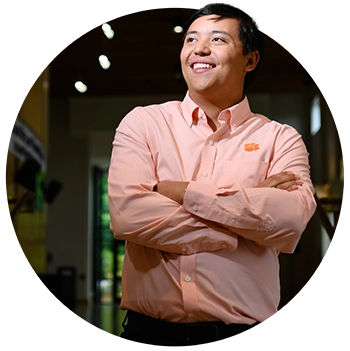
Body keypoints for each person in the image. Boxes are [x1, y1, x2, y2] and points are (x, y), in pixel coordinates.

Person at [108, 3, 317, 349]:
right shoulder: (143, 124)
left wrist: (182, 191)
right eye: (190, 39)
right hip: (148, 336)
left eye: (217, 39)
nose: (198, 49)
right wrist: (245, 210)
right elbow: (127, 216)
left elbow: (290, 221)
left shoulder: (280, 138)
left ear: (250, 60)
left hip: (243, 339)